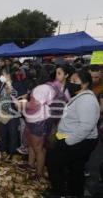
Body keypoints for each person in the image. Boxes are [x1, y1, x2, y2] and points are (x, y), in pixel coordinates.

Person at [45, 70, 100, 198]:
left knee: (54, 162)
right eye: (71, 81)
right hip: (74, 138)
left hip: (78, 140)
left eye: (75, 82)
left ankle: (59, 192)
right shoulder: (80, 96)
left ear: (85, 84)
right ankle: (74, 192)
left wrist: (69, 141)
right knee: (76, 168)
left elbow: (86, 126)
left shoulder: (87, 100)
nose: (71, 83)